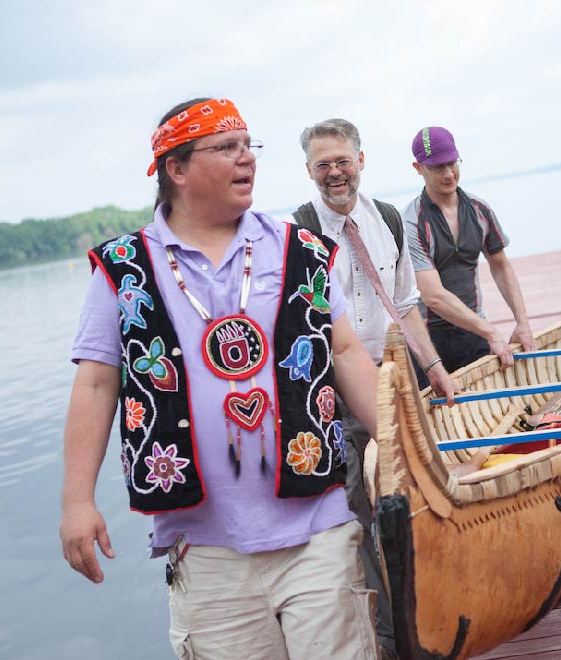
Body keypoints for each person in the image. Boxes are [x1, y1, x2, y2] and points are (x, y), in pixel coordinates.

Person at [59, 97, 382, 660]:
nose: (247, 159)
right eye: (226, 148)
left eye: (248, 146)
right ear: (176, 169)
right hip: (204, 547)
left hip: (318, 529)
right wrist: (76, 501)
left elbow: (347, 352)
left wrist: (403, 445)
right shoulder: (125, 268)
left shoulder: (299, 250)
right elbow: (95, 384)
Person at [294, 118, 458, 659]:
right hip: (333, 398)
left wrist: (432, 365)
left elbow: (406, 304)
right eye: (323, 164)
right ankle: (384, 636)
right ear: (309, 171)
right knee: (353, 515)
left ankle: (423, 616)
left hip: (393, 384)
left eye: (342, 160)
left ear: (361, 160)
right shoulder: (297, 233)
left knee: (407, 500)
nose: (334, 172)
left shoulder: (387, 218)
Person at [402, 126, 535, 377]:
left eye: (453, 163)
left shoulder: (479, 209)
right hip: (428, 339)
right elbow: (433, 297)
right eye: (438, 167)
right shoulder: (411, 222)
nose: (449, 174)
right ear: (418, 168)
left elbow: (500, 264)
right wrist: (491, 332)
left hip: (474, 331)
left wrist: (522, 321)